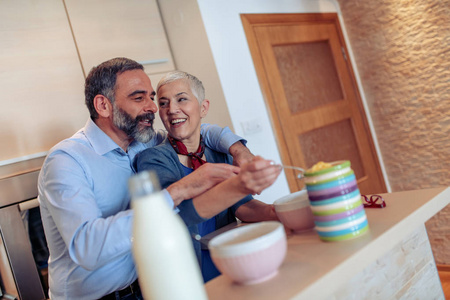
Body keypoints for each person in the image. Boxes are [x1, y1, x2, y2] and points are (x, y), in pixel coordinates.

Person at [38, 57, 254, 299]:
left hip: (147, 290)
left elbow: (196, 128)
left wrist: (239, 149)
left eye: (151, 97)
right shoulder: (67, 160)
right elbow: (87, 247)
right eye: (139, 98)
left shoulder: (144, 140)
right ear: (103, 105)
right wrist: (178, 191)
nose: (153, 107)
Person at [135, 71, 282, 282]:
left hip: (231, 259)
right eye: (164, 103)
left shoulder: (217, 152)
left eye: (181, 99)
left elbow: (242, 207)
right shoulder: (153, 159)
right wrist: (239, 185)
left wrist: (277, 213)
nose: (172, 110)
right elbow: (175, 217)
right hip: (191, 272)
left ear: (203, 108)